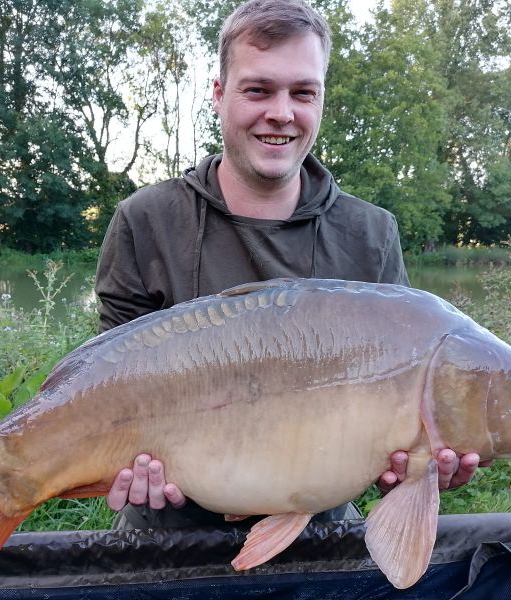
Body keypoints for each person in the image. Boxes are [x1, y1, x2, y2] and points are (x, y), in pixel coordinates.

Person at [94, 0, 485, 529]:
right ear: (218, 94)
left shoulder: (370, 234)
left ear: (321, 99)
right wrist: (119, 461)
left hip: (320, 525)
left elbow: (403, 415)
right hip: (166, 530)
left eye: (303, 92)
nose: (281, 112)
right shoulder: (146, 220)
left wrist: (418, 460)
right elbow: (109, 378)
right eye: (258, 90)